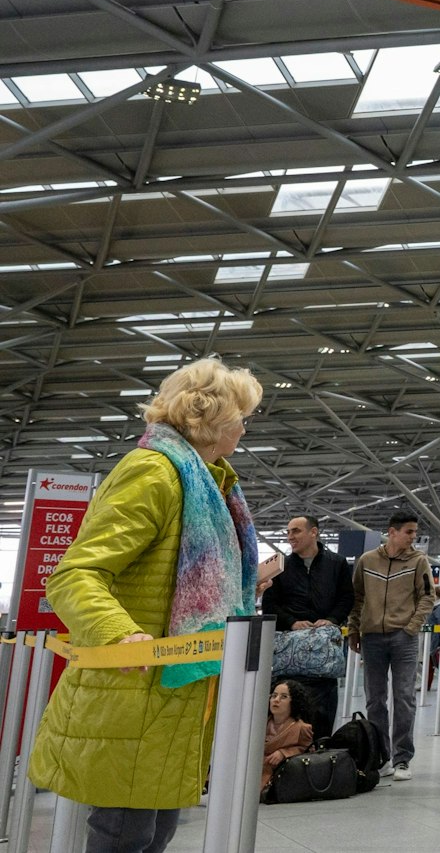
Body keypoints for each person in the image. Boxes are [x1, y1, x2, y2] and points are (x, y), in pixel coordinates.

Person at [30, 356, 262, 853]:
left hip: (176, 692)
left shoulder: (209, 483)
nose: (245, 428)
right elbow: (74, 575)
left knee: (154, 833)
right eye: (241, 417)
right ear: (213, 418)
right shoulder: (154, 474)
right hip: (135, 687)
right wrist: (118, 633)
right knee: (125, 834)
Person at [346, 510, 434, 781]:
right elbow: (357, 597)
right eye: (409, 532)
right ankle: (381, 756)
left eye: (415, 532)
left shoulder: (419, 561)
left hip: (404, 638)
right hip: (372, 637)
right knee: (375, 699)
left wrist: (412, 627)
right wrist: (354, 629)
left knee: (404, 697)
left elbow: (427, 597)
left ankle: (402, 758)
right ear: (392, 532)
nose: (413, 537)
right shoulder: (367, 561)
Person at [263, 514, 352, 740]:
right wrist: (292, 622)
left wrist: (332, 619)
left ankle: (318, 752)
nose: (290, 536)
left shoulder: (337, 564)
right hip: (288, 658)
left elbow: (347, 597)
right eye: (288, 532)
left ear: (314, 532)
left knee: (322, 715)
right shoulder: (279, 566)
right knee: (287, 713)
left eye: (296, 531)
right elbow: (270, 604)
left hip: (323, 657)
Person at [262, 681, 316, 794]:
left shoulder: (301, 728)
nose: (276, 700)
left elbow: (308, 751)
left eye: (284, 697)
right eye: (274, 696)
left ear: (294, 702)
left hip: (280, 777)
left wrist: (283, 753)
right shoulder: (259, 723)